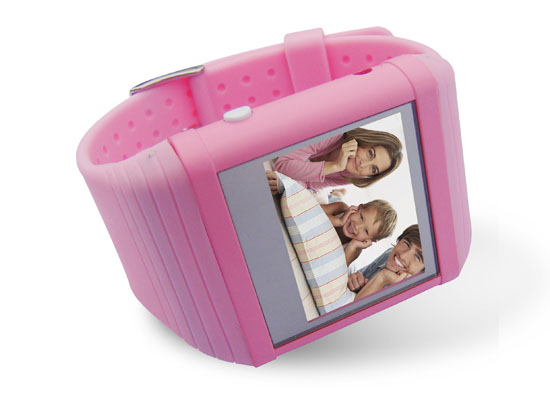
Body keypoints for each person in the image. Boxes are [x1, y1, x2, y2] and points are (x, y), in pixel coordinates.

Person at [270, 128, 403, 192]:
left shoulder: (352, 174)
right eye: (370, 153)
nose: (363, 165)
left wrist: (287, 184)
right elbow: (282, 166)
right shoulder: (335, 134)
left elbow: (309, 185)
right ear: (366, 141)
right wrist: (335, 165)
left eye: (373, 169)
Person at [347, 224, 424, 301]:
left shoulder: (408, 298)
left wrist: (383, 277)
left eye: (418, 257)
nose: (403, 256)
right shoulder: (389, 254)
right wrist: (355, 282)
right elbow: (356, 280)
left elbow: (354, 308)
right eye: (406, 244)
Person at [320, 200, 397, 266]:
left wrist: (352, 246)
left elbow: (337, 269)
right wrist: (338, 221)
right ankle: (338, 193)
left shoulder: (355, 249)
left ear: (371, 240)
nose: (357, 226)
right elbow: (314, 212)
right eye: (361, 217)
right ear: (359, 207)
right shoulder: (341, 208)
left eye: (366, 231)